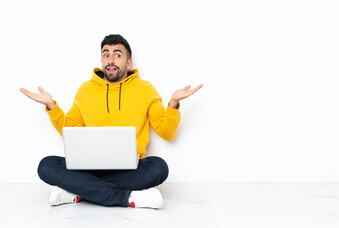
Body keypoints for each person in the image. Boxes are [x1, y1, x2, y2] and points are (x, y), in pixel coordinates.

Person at [20, 34, 203, 209]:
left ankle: (79, 191)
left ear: (128, 63)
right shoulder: (85, 90)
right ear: (101, 61)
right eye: (106, 55)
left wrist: (173, 104)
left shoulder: (145, 89)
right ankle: (126, 198)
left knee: (158, 168)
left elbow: (167, 133)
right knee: (46, 166)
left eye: (117, 55)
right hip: (89, 168)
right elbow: (71, 130)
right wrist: (52, 107)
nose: (110, 60)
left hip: (130, 169)